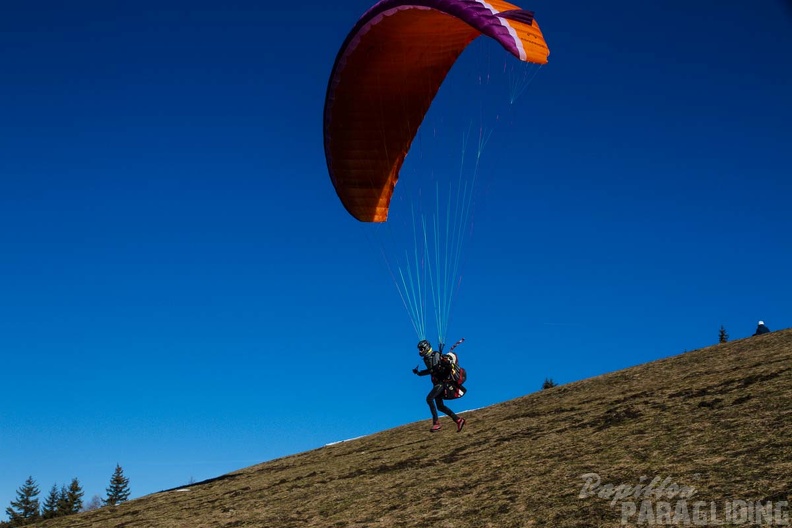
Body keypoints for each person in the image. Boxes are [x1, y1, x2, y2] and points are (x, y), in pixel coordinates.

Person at [412, 339, 466, 432]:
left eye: (421, 348)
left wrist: (435, 369)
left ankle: (436, 423)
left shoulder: (436, 355)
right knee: (440, 406)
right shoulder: (426, 359)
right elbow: (431, 370)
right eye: (419, 349)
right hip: (437, 383)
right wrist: (419, 373)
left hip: (443, 382)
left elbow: (436, 369)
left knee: (429, 398)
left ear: (426, 348)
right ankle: (458, 420)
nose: (420, 351)